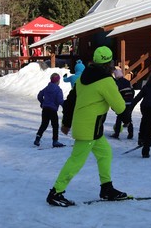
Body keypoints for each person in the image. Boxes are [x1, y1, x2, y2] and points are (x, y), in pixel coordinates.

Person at [46, 46, 131, 207]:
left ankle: (106, 188)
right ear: (110, 63)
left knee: (105, 153)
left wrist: (66, 122)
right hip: (89, 129)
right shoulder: (106, 81)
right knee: (76, 161)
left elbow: (71, 100)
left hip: (89, 127)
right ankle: (56, 192)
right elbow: (119, 106)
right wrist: (127, 119)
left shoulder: (84, 76)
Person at [34, 73, 65, 148]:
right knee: (55, 125)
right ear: (57, 81)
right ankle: (55, 141)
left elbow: (40, 95)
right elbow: (60, 100)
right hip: (53, 110)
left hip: (45, 109)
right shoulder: (58, 90)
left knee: (44, 124)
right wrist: (65, 106)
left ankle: (37, 138)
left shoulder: (47, 88)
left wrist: (42, 102)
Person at [111, 69, 135, 139]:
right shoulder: (128, 81)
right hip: (130, 102)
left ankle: (116, 133)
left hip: (122, 102)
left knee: (119, 118)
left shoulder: (117, 83)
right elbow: (132, 91)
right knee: (129, 118)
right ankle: (130, 134)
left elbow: (116, 94)